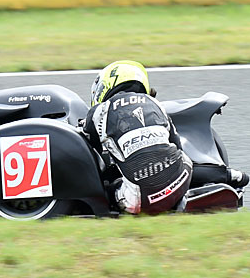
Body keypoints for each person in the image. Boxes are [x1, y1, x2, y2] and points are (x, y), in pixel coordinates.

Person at [82, 60, 193, 215]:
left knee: (105, 184)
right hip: (180, 182)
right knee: (182, 158)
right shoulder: (156, 104)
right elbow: (177, 145)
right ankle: (180, 198)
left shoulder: (99, 111)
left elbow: (90, 153)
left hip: (139, 199)